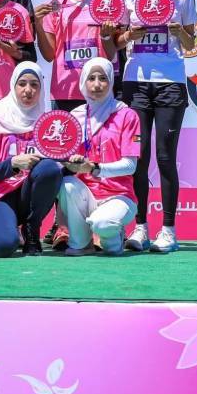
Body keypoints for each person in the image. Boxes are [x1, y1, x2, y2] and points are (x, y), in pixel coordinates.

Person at [117, 0, 197, 254]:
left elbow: (191, 44)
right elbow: (116, 41)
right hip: (135, 83)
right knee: (138, 156)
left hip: (170, 83)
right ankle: (139, 227)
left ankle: (168, 230)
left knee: (165, 157)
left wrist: (178, 31)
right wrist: (129, 34)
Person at [0, 63, 63, 256]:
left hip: (27, 194)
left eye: (34, 85)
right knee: (3, 246)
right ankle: (2, 228)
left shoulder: (48, 123)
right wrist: (13, 164)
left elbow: (55, 172)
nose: (28, 90)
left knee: (49, 168)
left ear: (41, 89)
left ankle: (31, 229)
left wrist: (70, 162)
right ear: (13, 85)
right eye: (22, 84)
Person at [58, 58, 140, 256]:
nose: (97, 85)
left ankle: (113, 237)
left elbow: (131, 166)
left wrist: (95, 168)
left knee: (102, 224)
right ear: (83, 82)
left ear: (111, 81)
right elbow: (64, 158)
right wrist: (70, 162)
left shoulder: (127, 115)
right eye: (91, 78)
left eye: (103, 78)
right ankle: (81, 244)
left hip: (119, 195)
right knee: (66, 184)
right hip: (87, 195)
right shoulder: (75, 116)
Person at [34, 0, 118, 112]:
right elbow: (49, 55)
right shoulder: (55, 5)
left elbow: (110, 55)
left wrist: (107, 37)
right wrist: (37, 24)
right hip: (65, 92)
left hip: (97, 89)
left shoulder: (102, 4)